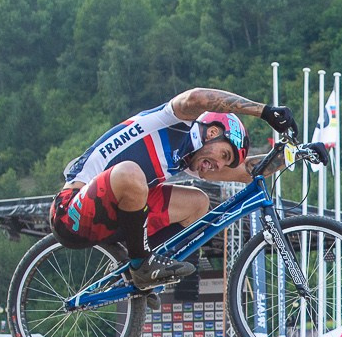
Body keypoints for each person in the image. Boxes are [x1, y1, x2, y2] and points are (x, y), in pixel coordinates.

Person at [53, 88, 296, 284]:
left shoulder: (188, 158)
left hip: (114, 214)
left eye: (225, 162)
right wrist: (264, 112)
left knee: (198, 203)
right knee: (131, 172)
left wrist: (296, 153)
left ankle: (133, 269)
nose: (218, 165)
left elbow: (246, 173)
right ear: (212, 132)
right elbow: (197, 97)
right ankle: (141, 263)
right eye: (223, 154)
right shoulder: (173, 120)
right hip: (70, 211)